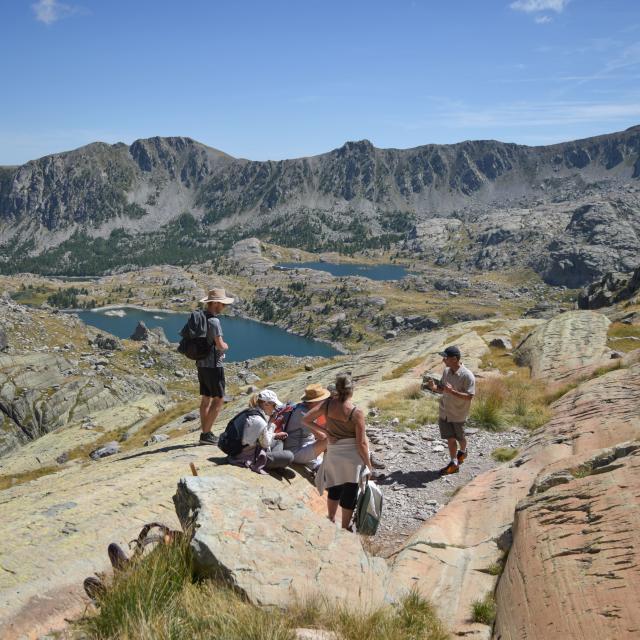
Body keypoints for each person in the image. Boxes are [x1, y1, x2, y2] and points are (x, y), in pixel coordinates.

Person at [303, 374, 372, 530]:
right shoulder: (356, 412)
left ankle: (331, 518)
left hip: (333, 452)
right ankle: (344, 527)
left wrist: (327, 433)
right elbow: (361, 443)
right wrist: (369, 465)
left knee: (334, 487)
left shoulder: (327, 405)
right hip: (352, 456)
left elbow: (306, 420)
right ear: (351, 391)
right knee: (350, 491)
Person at [424, 345, 475, 475]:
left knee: (460, 437)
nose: (443, 360)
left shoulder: (467, 376)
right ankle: (454, 463)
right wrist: (433, 387)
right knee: (450, 439)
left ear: (454, 359)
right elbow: (442, 389)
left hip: (458, 413)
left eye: (445, 358)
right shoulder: (446, 371)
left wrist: (452, 392)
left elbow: (469, 397)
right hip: (444, 412)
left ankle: (463, 452)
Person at [197, 288, 234, 445]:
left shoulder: (201, 317)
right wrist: (226, 346)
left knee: (206, 398)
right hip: (213, 365)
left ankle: (205, 433)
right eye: (223, 304)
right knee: (218, 399)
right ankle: (206, 434)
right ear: (216, 304)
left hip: (201, 364)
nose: (223, 307)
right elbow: (220, 345)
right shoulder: (214, 321)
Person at [228, 390, 293, 471]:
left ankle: (274, 461)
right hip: (247, 457)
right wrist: (271, 423)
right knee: (289, 456)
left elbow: (260, 436)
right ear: (266, 404)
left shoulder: (251, 412)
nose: (275, 409)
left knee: (278, 442)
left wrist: (275, 435)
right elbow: (266, 443)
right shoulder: (259, 420)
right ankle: (271, 464)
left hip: (239, 451)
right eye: (274, 406)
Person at [281, 383, 332, 470]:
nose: (325, 402)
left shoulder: (302, 407)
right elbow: (321, 436)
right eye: (323, 400)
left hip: (303, 445)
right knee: (331, 438)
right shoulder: (303, 413)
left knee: (321, 466)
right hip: (296, 451)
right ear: (315, 401)